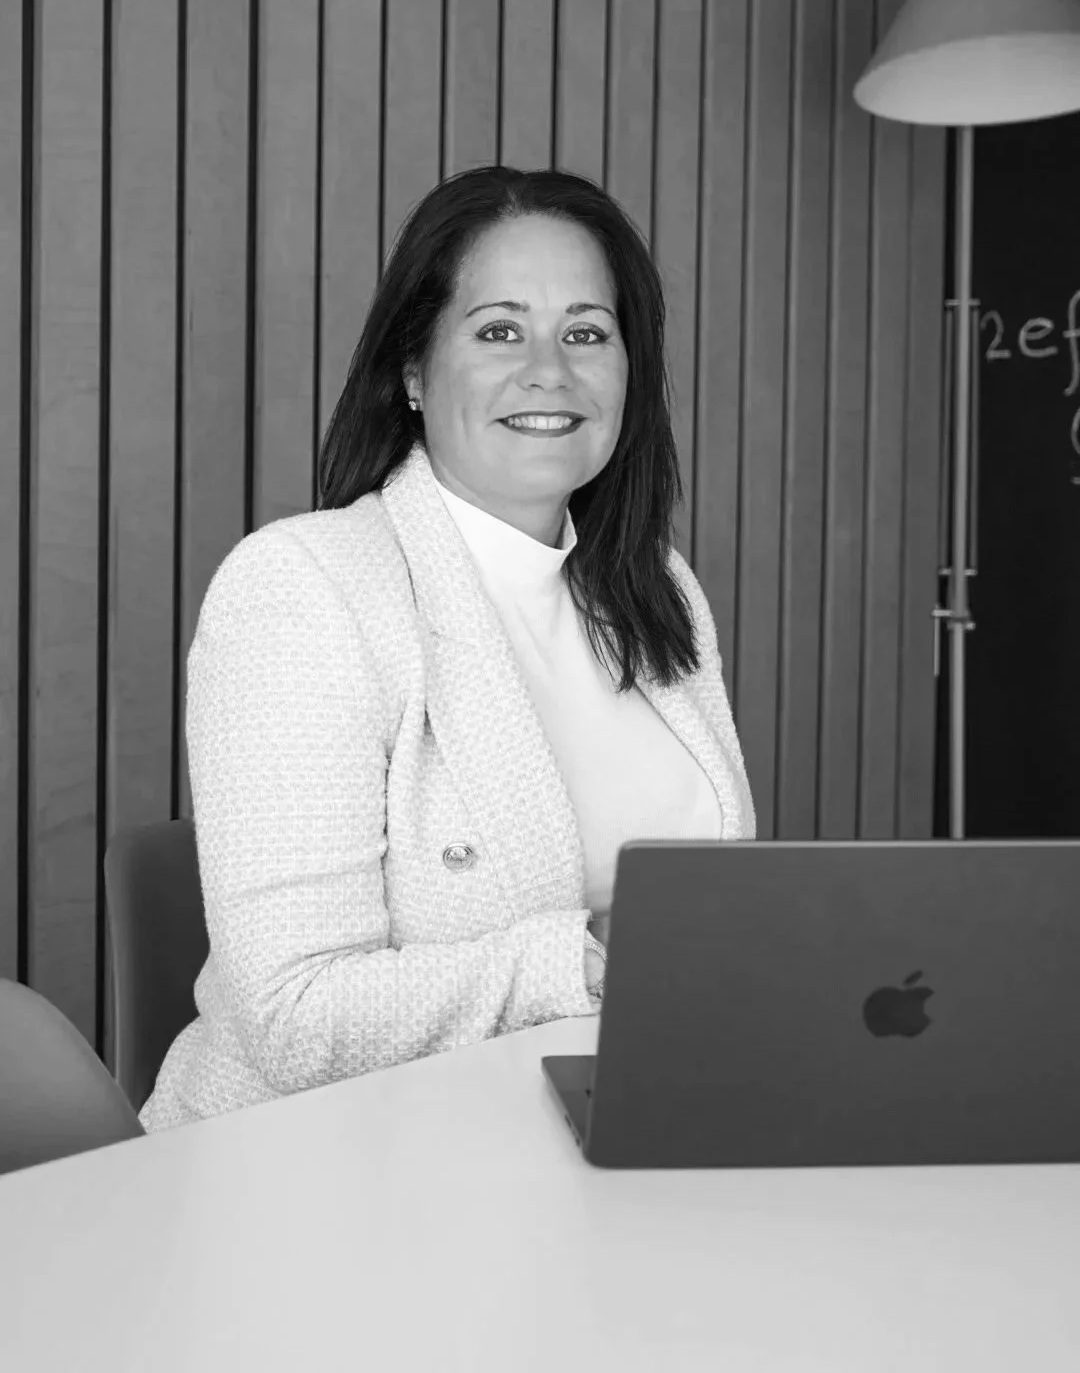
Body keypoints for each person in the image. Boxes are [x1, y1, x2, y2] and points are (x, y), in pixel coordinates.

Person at [139, 165, 756, 1131]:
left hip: (624, 1123)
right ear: (414, 373)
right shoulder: (305, 586)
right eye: (499, 330)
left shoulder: (658, 586)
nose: (549, 370)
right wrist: (594, 957)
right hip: (333, 1173)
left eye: (587, 333)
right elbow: (294, 1015)